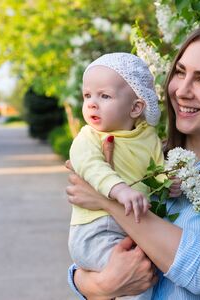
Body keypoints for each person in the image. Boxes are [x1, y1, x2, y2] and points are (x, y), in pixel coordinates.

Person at [66, 22, 200, 299]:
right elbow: (96, 250)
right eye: (180, 73)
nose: (182, 90)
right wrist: (99, 286)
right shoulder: (152, 157)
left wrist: (108, 199)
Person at [68, 52, 178, 300]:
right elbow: (90, 166)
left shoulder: (148, 137)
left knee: (144, 270)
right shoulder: (89, 137)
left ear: (136, 107)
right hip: (95, 230)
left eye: (104, 96)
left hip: (132, 228)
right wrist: (119, 189)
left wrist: (168, 184)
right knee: (135, 276)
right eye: (87, 96)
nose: (92, 103)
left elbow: (156, 172)